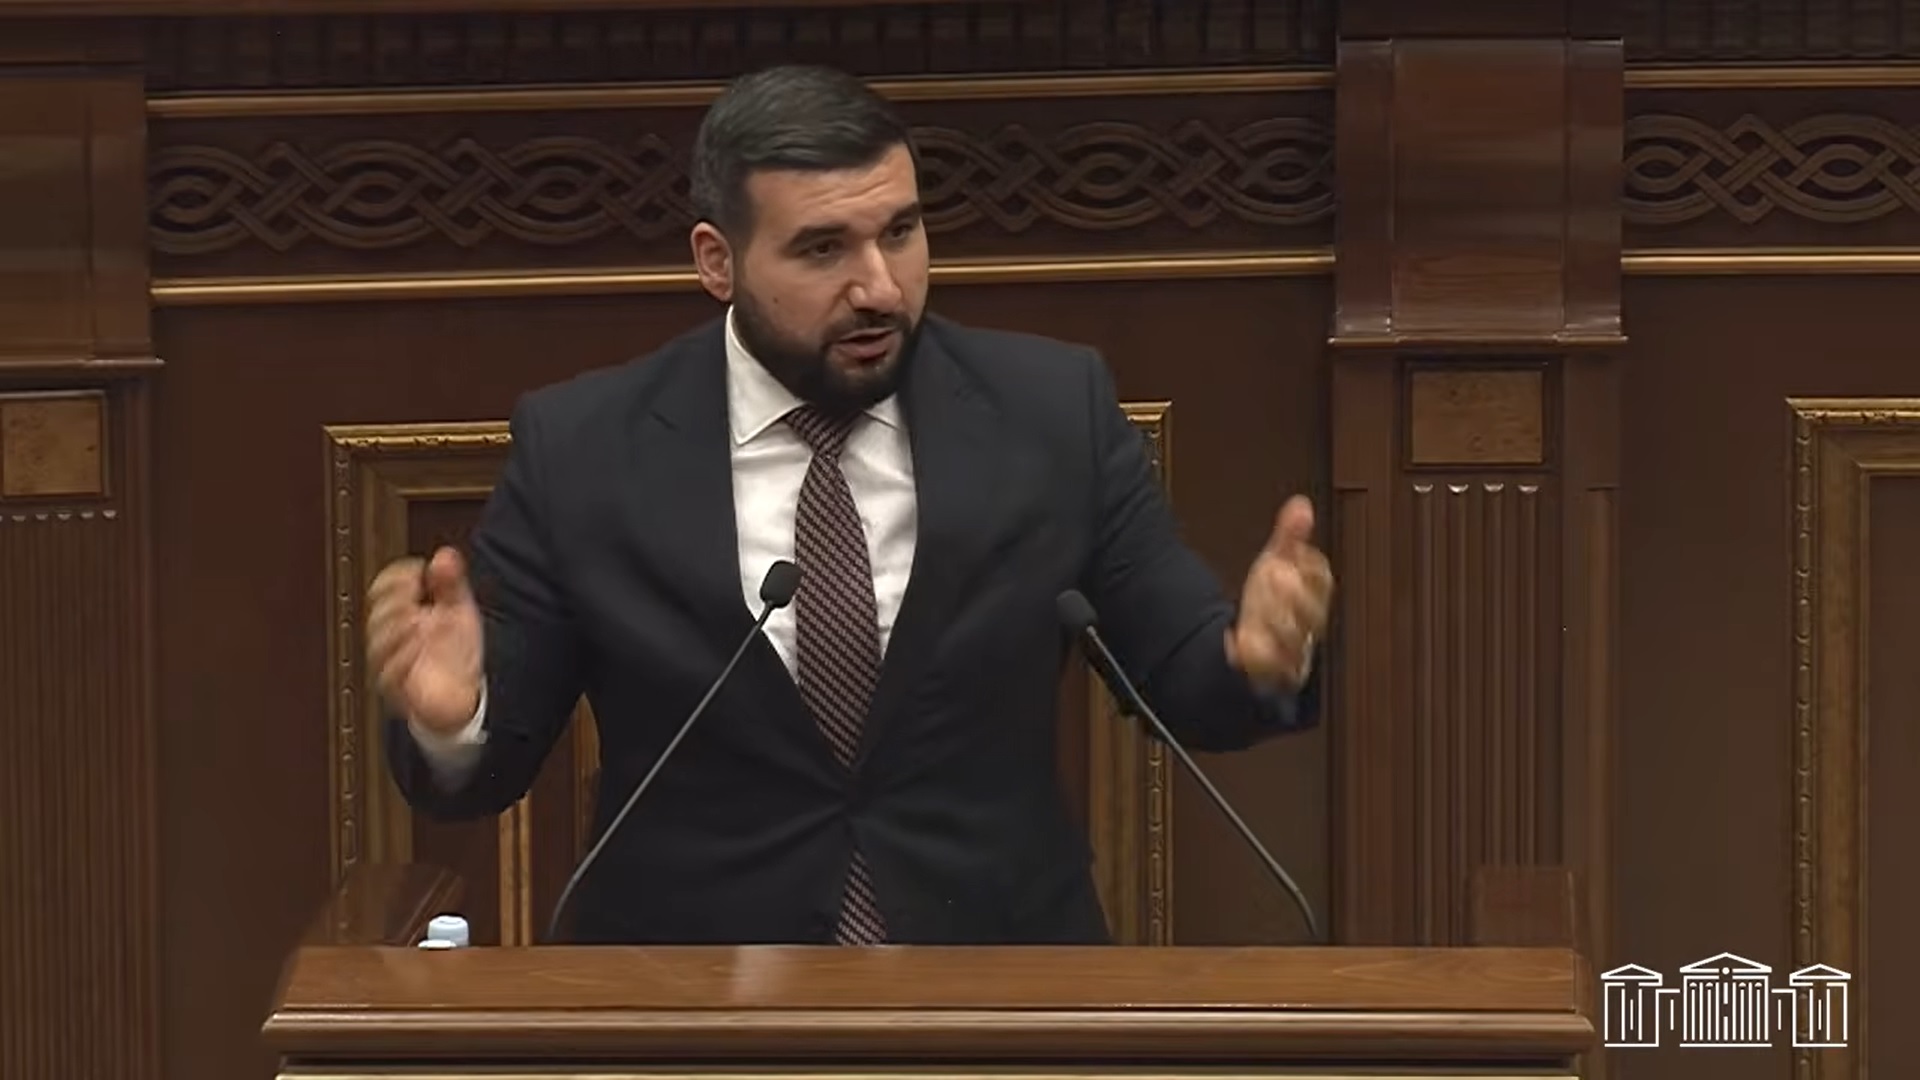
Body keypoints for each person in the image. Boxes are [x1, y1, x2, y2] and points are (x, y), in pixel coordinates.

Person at [365, 64, 1334, 946]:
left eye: (900, 233)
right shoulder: (584, 449)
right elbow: (488, 766)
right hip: (689, 1000)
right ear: (717, 261)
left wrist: (1258, 659)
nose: (878, 287)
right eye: (823, 249)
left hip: (998, 986)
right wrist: (454, 718)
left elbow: (1182, 670)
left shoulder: (1051, 414)